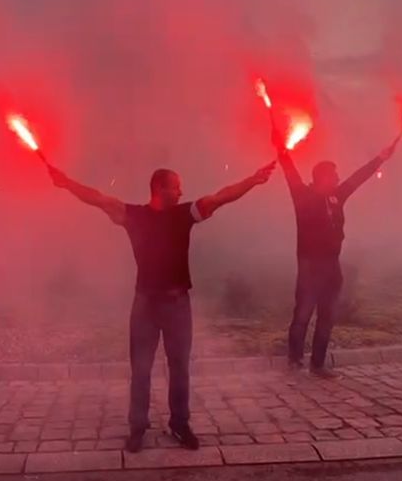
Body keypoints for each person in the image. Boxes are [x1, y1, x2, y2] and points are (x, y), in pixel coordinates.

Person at [47, 161, 274, 453]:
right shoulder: (134, 215)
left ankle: (180, 423)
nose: (181, 192)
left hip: (178, 304)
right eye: (176, 187)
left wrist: (252, 180)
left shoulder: (184, 214)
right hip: (145, 304)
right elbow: (98, 198)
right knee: (141, 369)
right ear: (160, 188)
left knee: (179, 368)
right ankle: (137, 427)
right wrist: (67, 183)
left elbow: (221, 197)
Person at [273, 132, 395, 378]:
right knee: (302, 315)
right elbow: (289, 170)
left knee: (327, 317)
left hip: (332, 267)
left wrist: (380, 159)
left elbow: (357, 178)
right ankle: (294, 360)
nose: (338, 178)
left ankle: (317, 364)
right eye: (334, 175)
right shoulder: (302, 195)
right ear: (322, 178)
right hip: (310, 267)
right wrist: (281, 147)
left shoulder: (336, 196)